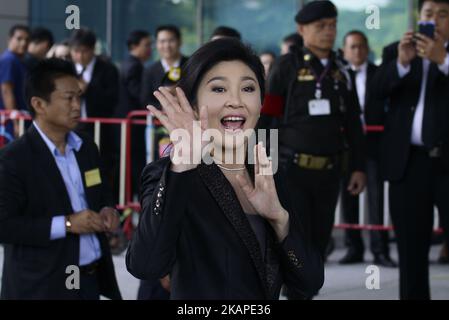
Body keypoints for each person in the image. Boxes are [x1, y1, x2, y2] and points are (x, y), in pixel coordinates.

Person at [126, 38, 324, 300]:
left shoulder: (269, 172)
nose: (236, 101)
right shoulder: (171, 173)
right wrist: (182, 165)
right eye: (219, 89)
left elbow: (310, 283)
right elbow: (146, 265)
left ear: (261, 103)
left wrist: (280, 220)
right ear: (194, 106)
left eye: (248, 88)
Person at [0, 58, 121, 299]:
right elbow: (4, 225)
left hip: (89, 279)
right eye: (68, 98)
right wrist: (66, 224)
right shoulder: (13, 158)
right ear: (39, 104)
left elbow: (101, 190)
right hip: (42, 285)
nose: (77, 105)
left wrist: (108, 209)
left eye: (79, 96)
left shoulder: (86, 146)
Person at [258, 0, 366, 273]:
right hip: (290, 171)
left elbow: (354, 123)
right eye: (321, 26)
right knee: (293, 242)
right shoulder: (286, 67)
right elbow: (266, 118)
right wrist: (258, 168)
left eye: (332, 25)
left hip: (329, 174)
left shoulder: (342, 71)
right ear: (302, 29)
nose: (329, 31)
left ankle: (305, 292)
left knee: (319, 242)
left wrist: (359, 167)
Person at [371, 0, 449, 300]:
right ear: (419, 17)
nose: (435, 20)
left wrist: (443, 60)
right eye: (429, 14)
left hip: (446, 163)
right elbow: (375, 94)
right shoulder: (397, 51)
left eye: (443, 15)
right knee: (411, 252)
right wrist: (402, 65)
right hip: (409, 165)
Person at [339, 30, 397, 268]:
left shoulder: (378, 73)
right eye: (352, 47)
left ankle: (380, 249)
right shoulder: (337, 76)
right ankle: (353, 248)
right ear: (344, 50)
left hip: (374, 144)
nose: (357, 51)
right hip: (345, 145)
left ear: (368, 48)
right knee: (348, 195)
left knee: (376, 197)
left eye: (361, 46)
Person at [69, 28, 120, 196]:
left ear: (92, 50)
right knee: (73, 166)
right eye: (75, 51)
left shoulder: (107, 69)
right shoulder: (67, 69)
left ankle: (97, 200)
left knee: (96, 168)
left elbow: (112, 100)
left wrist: (88, 89)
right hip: (72, 127)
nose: (79, 56)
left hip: (98, 129)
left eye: (83, 51)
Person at [141, 25, 188, 109]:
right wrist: (164, 108)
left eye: (171, 40)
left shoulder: (190, 65)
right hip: (159, 119)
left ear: (180, 42)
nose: (167, 46)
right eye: (162, 41)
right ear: (156, 44)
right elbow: (145, 100)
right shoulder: (150, 71)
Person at [0, 25, 30, 143]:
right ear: (10, 40)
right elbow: (7, 91)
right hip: (10, 122)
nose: (23, 43)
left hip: (20, 119)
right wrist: (15, 122)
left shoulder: (19, 61)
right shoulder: (9, 60)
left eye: (27, 40)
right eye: (19, 39)